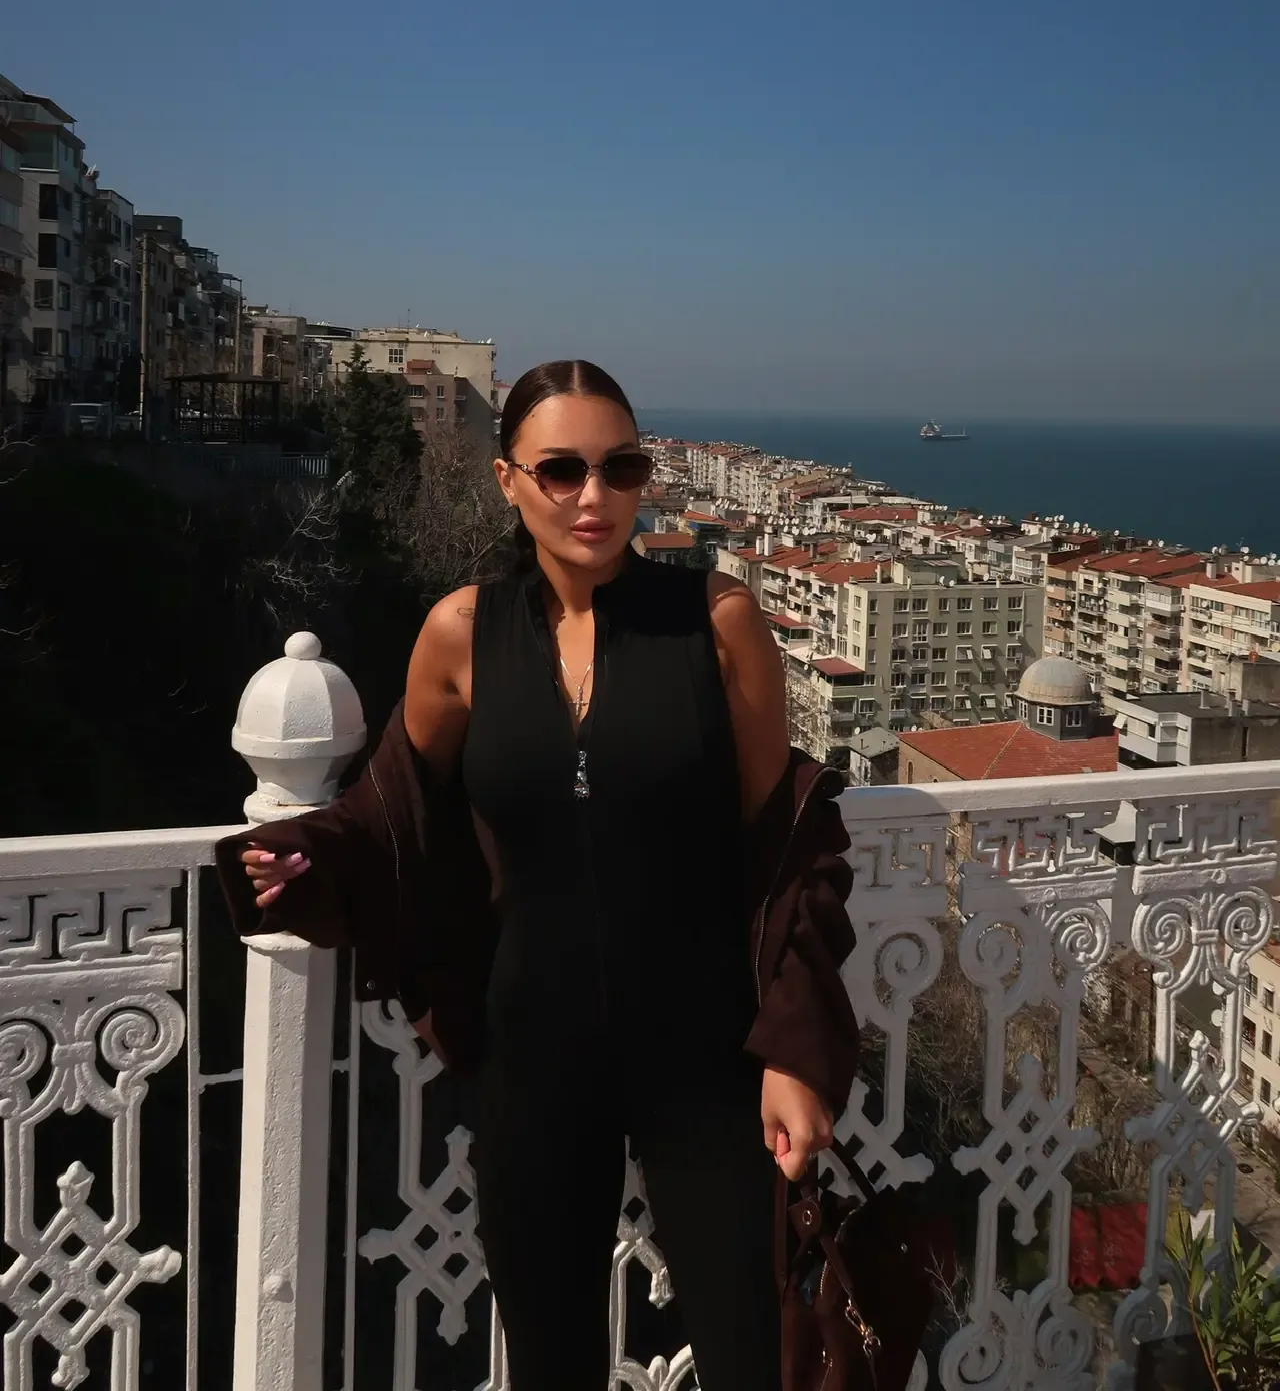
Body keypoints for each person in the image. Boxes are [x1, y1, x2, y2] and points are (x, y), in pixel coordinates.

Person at [218, 359, 859, 1391]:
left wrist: (794, 1049)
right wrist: (308, 854)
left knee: (747, 1355)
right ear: (506, 479)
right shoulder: (461, 634)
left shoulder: (716, 621)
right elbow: (396, 808)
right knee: (549, 1362)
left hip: (706, 1057)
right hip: (532, 1060)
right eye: (560, 470)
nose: (593, 496)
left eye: (621, 468)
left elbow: (784, 844)